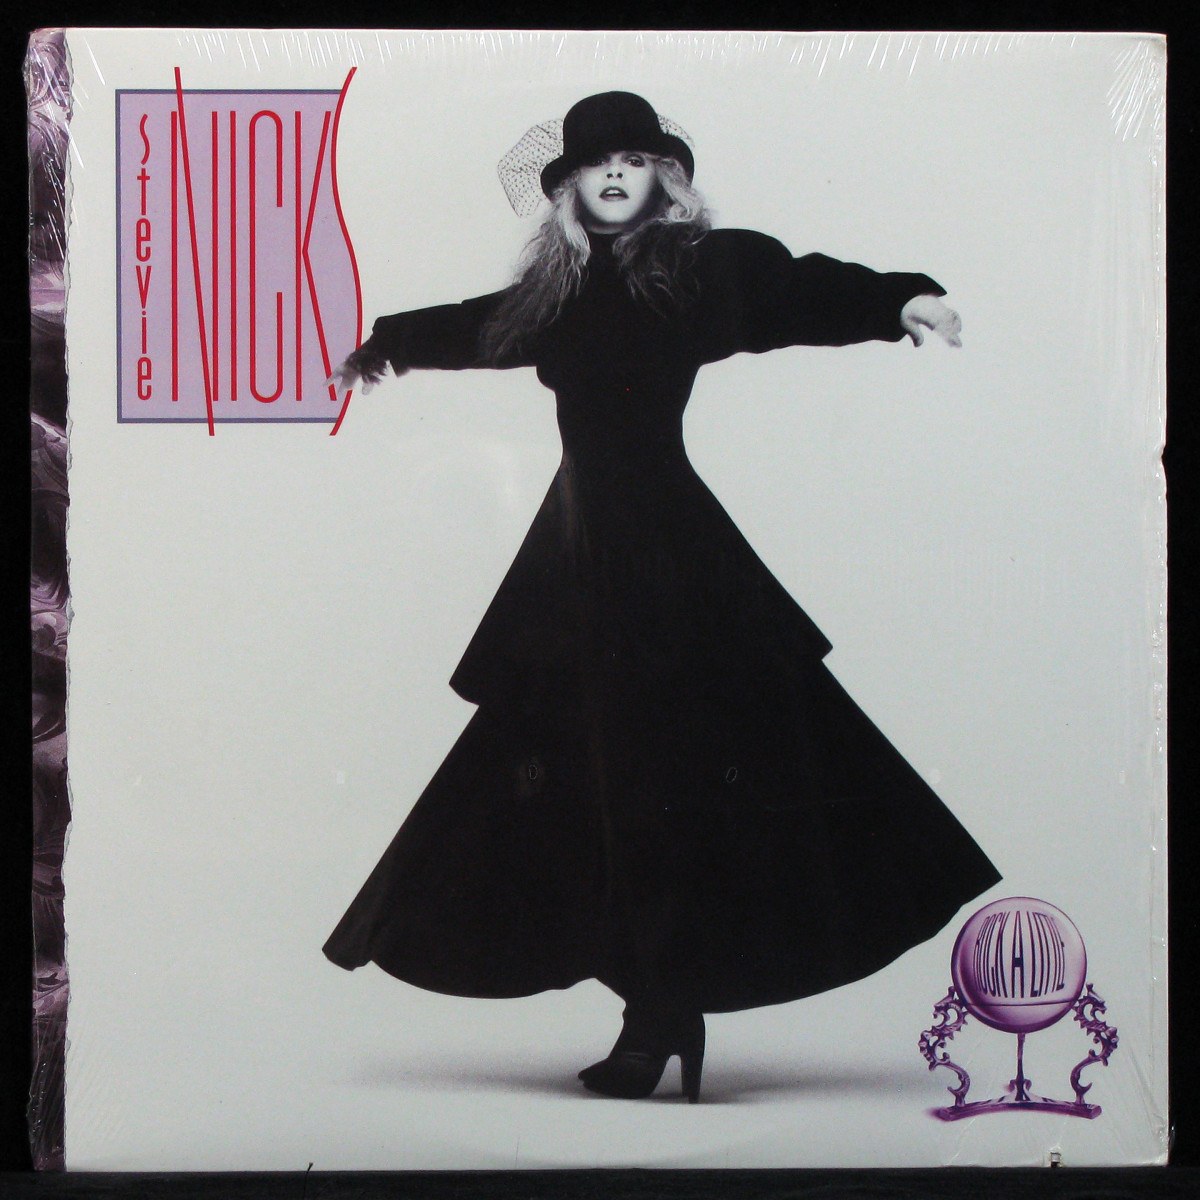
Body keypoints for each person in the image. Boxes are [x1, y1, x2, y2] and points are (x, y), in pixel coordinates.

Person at [322, 91, 999, 1103]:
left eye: (633, 160)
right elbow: (476, 326)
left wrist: (899, 301)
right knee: (584, 781)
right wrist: (384, 345)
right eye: (595, 164)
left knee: (676, 776)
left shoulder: (700, 272)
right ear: (568, 190)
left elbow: (796, 290)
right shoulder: (553, 293)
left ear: (663, 180)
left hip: (676, 559)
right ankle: (657, 1008)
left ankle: (659, 1015)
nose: (613, 174)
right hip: (576, 558)